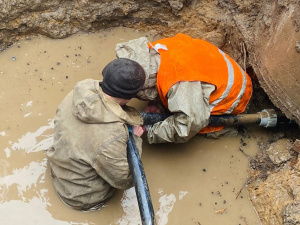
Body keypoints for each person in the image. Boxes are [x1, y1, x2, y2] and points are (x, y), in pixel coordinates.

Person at [115, 33, 252, 143]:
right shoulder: (154, 50)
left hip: (234, 97)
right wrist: (158, 104)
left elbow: (188, 125)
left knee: (198, 125)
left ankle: (228, 130)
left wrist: (151, 129)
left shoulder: (180, 84)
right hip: (217, 72)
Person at [47, 58, 146, 210]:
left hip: (59, 170)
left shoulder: (79, 91)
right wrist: (135, 137)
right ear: (130, 96)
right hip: (82, 198)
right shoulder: (112, 136)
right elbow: (125, 180)